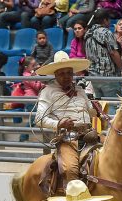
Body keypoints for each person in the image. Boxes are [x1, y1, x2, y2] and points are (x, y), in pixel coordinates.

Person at [35, 51, 99, 188]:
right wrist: (59, 123)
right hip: (68, 139)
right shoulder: (48, 92)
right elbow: (39, 119)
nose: (66, 77)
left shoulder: (81, 90)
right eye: (62, 74)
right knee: (70, 169)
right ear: (55, 74)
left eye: (69, 73)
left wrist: (96, 109)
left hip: (90, 134)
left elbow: (92, 112)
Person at [84, 8, 122, 101]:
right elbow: (113, 53)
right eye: (108, 20)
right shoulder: (106, 32)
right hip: (108, 76)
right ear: (105, 20)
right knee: (112, 105)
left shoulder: (87, 34)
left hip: (93, 76)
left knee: (100, 105)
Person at [11, 56, 45, 141]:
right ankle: (23, 136)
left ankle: (24, 136)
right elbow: (37, 87)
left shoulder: (31, 74)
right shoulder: (27, 76)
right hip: (31, 100)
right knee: (34, 118)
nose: (36, 66)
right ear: (26, 67)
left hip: (34, 99)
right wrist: (40, 78)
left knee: (35, 118)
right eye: (33, 65)